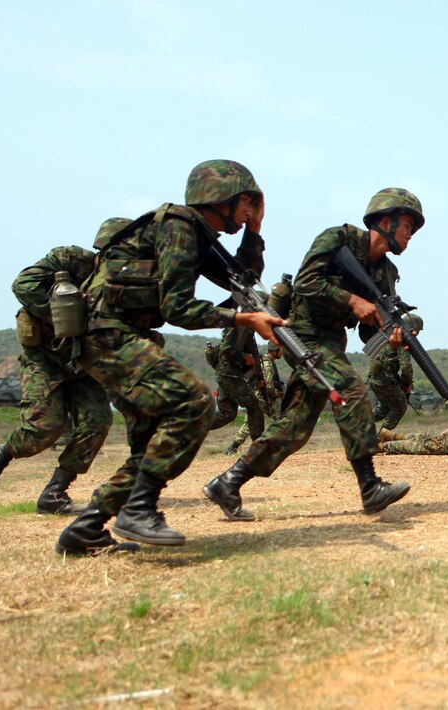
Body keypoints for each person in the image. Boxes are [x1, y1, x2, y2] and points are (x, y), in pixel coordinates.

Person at [56, 159, 281, 554]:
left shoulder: (198, 234)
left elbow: (242, 277)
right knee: (194, 401)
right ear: (221, 197)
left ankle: (86, 529)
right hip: (108, 335)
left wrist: (254, 231)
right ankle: (139, 510)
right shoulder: (179, 227)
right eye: (246, 203)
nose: (249, 211)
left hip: (119, 337)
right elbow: (179, 308)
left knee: (150, 446)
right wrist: (242, 317)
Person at [202, 188, 423, 522]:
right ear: (385, 220)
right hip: (301, 333)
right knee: (351, 392)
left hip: (331, 343)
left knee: (294, 426)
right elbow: (306, 283)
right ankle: (369, 487)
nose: (410, 234)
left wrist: (390, 338)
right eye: (407, 224)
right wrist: (352, 300)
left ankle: (228, 482)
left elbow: (367, 329)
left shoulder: (386, 274)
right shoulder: (338, 239)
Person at [0, 227, 127, 515]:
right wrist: (61, 315)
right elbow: (22, 285)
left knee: (97, 423)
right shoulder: (69, 260)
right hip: (45, 356)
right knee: (42, 430)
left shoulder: (128, 285)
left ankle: (54, 493)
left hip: (85, 361)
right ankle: (1, 453)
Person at [208, 325, 269, 446]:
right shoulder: (242, 327)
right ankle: (260, 447)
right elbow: (227, 350)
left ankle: (192, 426)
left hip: (227, 376)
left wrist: (255, 378)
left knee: (226, 414)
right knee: (255, 408)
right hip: (230, 376)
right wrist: (245, 358)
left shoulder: (245, 329)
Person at [224, 344, 282, 455]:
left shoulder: (264, 362)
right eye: (280, 350)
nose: (282, 352)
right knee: (282, 419)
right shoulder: (267, 364)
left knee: (249, 423)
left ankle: (233, 447)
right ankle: (279, 445)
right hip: (265, 399)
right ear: (275, 350)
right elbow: (269, 387)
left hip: (258, 398)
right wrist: (278, 393)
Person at [369, 312, 422, 432]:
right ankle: (381, 437)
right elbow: (406, 367)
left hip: (375, 379)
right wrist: (407, 384)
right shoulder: (400, 341)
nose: (416, 334)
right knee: (399, 408)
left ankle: (359, 425)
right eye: (417, 331)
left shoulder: (389, 336)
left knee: (384, 407)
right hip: (385, 380)